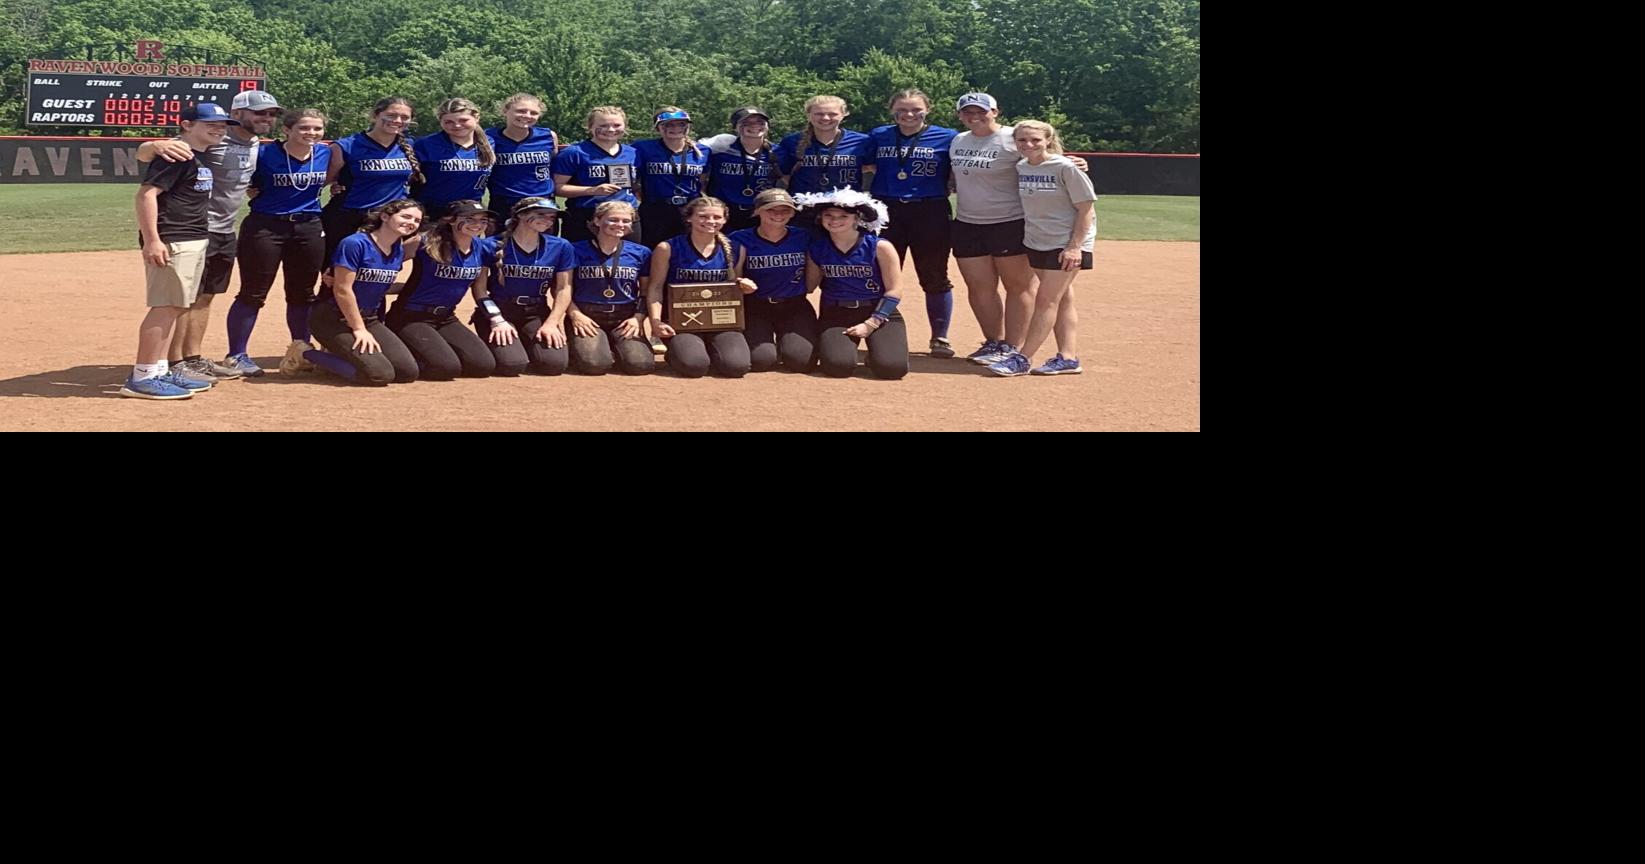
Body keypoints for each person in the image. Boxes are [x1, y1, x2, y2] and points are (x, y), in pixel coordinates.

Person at [135, 89, 284, 379]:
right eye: (259, 112)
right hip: (195, 229)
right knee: (182, 300)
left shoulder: (255, 143)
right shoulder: (211, 138)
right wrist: (152, 144)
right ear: (237, 113)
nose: (266, 118)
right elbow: (147, 157)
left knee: (205, 297)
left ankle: (193, 358)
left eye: (271, 114)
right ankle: (174, 362)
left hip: (225, 229)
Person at [122, 103, 239, 399]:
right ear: (187, 125)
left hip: (193, 238)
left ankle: (160, 370)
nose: (219, 129)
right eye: (210, 124)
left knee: (176, 306)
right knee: (165, 307)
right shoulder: (175, 154)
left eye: (222, 125)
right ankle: (143, 377)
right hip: (174, 239)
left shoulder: (197, 154)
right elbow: (146, 195)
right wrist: (153, 240)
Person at [987, 121, 1097, 377]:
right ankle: (1068, 358)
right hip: (1037, 241)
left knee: (1047, 300)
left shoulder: (1065, 167)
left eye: (1035, 140)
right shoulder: (1022, 166)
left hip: (1065, 243)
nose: (1028, 144)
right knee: (1063, 298)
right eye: (1022, 140)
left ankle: (1023, 358)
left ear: (1048, 140)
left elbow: (1086, 210)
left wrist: (1074, 247)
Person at [235, 108, 331, 377]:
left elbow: (338, 177)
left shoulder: (325, 153)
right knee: (253, 292)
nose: (311, 133)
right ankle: (236, 355)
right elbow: (241, 179)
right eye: (304, 128)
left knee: (303, 292)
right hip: (266, 226)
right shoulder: (264, 153)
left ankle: (301, 349)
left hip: (308, 226)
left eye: (317, 128)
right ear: (287, 130)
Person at [869, 88, 959, 359]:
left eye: (916, 109)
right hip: (887, 211)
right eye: (902, 110)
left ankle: (940, 337)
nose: (908, 114)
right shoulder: (878, 135)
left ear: (928, 109)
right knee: (880, 275)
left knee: (934, 275)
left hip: (929, 210)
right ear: (892, 110)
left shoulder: (948, 137)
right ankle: (877, 333)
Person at [304, 199, 425, 386]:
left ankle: (341, 355)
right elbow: (342, 289)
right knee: (379, 375)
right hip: (334, 318)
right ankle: (305, 354)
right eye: (406, 216)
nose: (411, 223)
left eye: (417, 220)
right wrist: (359, 329)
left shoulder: (397, 250)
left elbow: (378, 284)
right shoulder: (355, 243)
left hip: (368, 318)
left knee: (407, 372)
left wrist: (414, 289)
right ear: (385, 216)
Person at [797, 188, 908, 380]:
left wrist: (871, 323)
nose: (835, 220)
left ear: (857, 218)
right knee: (838, 367)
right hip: (836, 313)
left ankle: (876, 356)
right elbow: (809, 286)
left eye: (843, 216)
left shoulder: (879, 246)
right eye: (828, 215)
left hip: (877, 311)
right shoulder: (817, 248)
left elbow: (894, 290)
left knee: (892, 369)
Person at [386, 200, 498, 380]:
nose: (477, 224)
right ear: (451, 220)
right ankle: (402, 354)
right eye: (470, 219)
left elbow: (481, 290)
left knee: (482, 365)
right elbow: (386, 263)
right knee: (445, 368)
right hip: (411, 316)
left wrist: (498, 320)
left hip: (446, 317)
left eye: (483, 220)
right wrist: (388, 287)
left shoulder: (482, 248)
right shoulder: (424, 241)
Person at [647, 196, 752, 378]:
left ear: (725, 220)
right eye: (703, 216)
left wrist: (744, 286)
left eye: (717, 217)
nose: (710, 221)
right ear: (689, 218)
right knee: (694, 366)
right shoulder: (668, 248)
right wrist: (656, 322)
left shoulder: (736, 249)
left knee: (736, 367)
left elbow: (734, 286)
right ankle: (678, 352)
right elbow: (655, 288)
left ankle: (709, 348)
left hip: (720, 320)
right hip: (681, 320)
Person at [472, 197, 575, 376]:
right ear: (520, 215)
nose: (548, 220)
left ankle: (524, 343)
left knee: (553, 365)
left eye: (552, 217)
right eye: (541, 214)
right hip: (499, 310)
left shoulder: (560, 246)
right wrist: (497, 320)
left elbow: (563, 288)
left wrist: (552, 322)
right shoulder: (490, 245)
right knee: (511, 365)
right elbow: (479, 289)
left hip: (536, 312)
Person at [728, 189, 817, 372]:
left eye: (785, 210)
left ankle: (787, 345)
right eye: (771, 209)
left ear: (792, 213)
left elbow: (813, 273)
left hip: (794, 305)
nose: (778, 215)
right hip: (756, 307)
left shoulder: (803, 236)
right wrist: (740, 284)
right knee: (762, 361)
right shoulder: (739, 238)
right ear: (758, 211)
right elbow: (734, 277)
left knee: (801, 362)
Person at [566, 201, 655, 375]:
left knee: (640, 365)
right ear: (597, 221)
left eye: (626, 221)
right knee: (594, 365)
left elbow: (646, 291)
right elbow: (561, 288)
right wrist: (575, 315)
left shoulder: (641, 252)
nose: (620, 225)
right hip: (587, 315)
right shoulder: (575, 249)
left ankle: (614, 345)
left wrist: (638, 318)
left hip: (624, 317)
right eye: (613, 219)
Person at [552, 106, 641, 244]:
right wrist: (592, 190)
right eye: (603, 125)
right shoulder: (574, 153)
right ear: (590, 127)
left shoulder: (633, 153)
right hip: (587, 216)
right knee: (583, 257)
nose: (610, 129)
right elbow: (556, 188)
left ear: (625, 126)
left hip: (625, 216)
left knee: (629, 256)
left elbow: (637, 185)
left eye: (616, 125)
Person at [634, 107, 711, 247]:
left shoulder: (703, 151)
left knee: (687, 249)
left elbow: (703, 180)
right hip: (655, 209)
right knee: (654, 250)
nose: (676, 128)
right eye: (668, 125)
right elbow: (633, 176)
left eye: (681, 124)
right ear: (657, 127)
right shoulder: (643, 148)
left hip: (690, 209)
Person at [485, 93, 560, 222]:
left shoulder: (548, 136)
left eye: (533, 113)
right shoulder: (488, 137)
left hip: (542, 201)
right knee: (502, 236)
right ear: (505, 111)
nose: (527, 116)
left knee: (544, 235)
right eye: (521, 111)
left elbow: (554, 166)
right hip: (504, 201)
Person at [707, 106, 782, 232]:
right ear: (735, 127)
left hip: (760, 212)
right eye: (746, 123)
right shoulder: (720, 149)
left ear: (768, 125)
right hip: (723, 212)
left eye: (760, 122)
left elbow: (786, 179)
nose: (754, 126)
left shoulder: (777, 152)